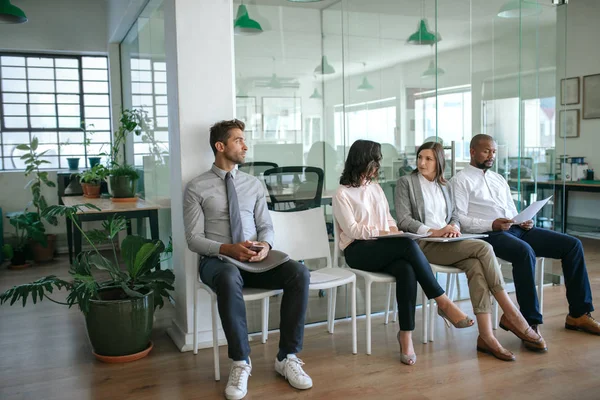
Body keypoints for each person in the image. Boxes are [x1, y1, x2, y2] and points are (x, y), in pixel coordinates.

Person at [183, 119, 312, 400]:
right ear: (220, 146)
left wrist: (265, 245)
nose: (245, 145)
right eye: (238, 140)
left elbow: (266, 225)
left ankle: (287, 357)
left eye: (244, 140)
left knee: (299, 273)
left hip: (255, 259)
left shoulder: (252, 184)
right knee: (229, 277)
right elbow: (193, 239)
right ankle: (241, 362)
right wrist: (228, 249)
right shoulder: (196, 187)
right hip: (218, 261)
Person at [394, 142, 546, 361]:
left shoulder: (445, 186)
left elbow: (455, 216)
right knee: (483, 247)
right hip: (423, 244)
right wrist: (434, 231)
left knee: (476, 266)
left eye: (428, 159)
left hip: (449, 242)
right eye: (420, 158)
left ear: (439, 162)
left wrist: (453, 229)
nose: (421, 163)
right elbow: (404, 220)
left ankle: (486, 337)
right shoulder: (406, 183)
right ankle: (512, 312)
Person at [332, 139, 474, 366]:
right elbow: (354, 230)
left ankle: (405, 335)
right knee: (408, 246)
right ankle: (443, 302)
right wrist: (384, 231)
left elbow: (388, 219)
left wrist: (393, 231)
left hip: (381, 244)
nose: (377, 166)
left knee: (406, 269)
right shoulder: (342, 193)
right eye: (375, 161)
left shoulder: (375, 188)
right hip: (357, 250)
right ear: (363, 162)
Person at [451, 133, 599, 344]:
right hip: (488, 234)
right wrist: (492, 224)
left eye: (493, 151)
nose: (491, 155)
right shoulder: (460, 180)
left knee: (572, 245)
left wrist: (522, 219)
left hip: (515, 228)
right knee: (524, 251)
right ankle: (528, 322)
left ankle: (578, 314)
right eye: (486, 151)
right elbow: (461, 219)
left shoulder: (498, 178)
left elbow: (511, 210)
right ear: (472, 151)